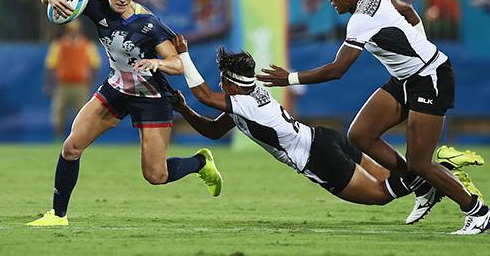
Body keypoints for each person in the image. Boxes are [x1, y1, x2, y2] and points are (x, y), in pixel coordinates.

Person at [256, 0, 489, 235]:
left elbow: (338, 69)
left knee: (421, 162)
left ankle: (478, 212)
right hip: (405, 79)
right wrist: (419, 41)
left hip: (430, 78)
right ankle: (421, 185)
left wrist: (291, 78)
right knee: (360, 134)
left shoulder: (360, 21)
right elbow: (407, 9)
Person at [27, 0, 222, 227]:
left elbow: (177, 63)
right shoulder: (97, 7)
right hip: (116, 89)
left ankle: (200, 163)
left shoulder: (148, 24)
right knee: (71, 147)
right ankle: (58, 215)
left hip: (152, 97)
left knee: (155, 176)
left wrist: (158, 61)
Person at [170, 35, 484, 217]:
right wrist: (184, 109)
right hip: (322, 137)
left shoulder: (245, 103)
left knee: (382, 194)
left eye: (223, 79)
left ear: (230, 83)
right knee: (400, 177)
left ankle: (439, 165)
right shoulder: (248, 98)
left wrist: (184, 55)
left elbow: (204, 94)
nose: (220, 83)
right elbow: (213, 130)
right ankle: (433, 170)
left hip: (316, 156)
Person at [44, 20, 101, 139]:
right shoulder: (59, 44)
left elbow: (95, 64)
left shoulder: (87, 45)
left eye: (75, 29)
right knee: (58, 112)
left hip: (81, 84)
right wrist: (49, 84)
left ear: (79, 30)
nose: (73, 32)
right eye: (70, 30)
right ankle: (58, 137)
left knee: (82, 112)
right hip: (63, 84)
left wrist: (91, 81)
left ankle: (80, 138)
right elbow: (50, 65)